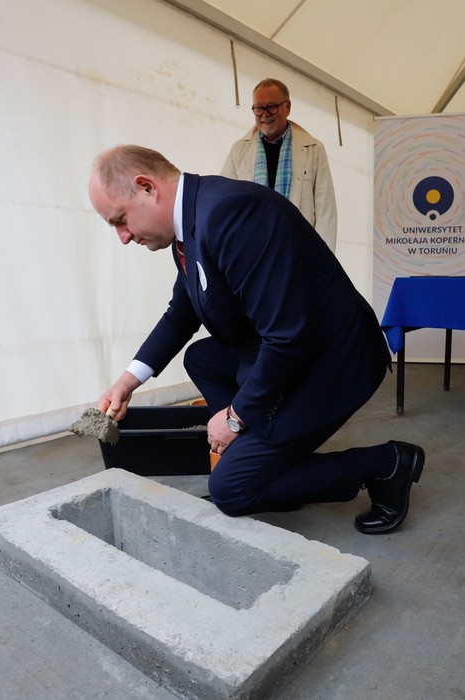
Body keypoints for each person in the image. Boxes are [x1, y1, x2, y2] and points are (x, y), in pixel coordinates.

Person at [88, 144, 425, 535]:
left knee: (232, 490)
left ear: (147, 187)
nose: (123, 237)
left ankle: (385, 464)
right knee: (202, 358)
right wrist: (127, 382)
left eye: (120, 220)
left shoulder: (231, 214)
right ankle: (267, 460)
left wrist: (235, 418)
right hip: (296, 349)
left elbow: (288, 339)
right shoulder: (192, 223)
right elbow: (181, 314)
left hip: (334, 359)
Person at [221, 78, 338, 251]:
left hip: (298, 251)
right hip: (252, 251)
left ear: (287, 107)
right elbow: (224, 204)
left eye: (271, 107)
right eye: (258, 108)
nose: (264, 114)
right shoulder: (239, 150)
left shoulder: (314, 149)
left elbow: (326, 213)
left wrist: (322, 261)